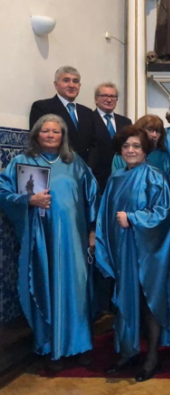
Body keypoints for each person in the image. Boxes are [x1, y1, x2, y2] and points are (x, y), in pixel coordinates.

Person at [0, 115, 99, 370]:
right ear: (36, 134)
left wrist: (92, 230)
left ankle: (79, 345)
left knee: (76, 288)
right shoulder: (22, 162)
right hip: (41, 240)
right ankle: (50, 346)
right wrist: (29, 201)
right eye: (46, 131)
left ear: (63, 136)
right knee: (46, 286)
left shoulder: (74, 162)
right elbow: (2, 192)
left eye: (56, 131)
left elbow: (92, 197)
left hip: (74, 240)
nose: (51, 135)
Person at [96, 126, 170, 382]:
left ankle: (152, 357)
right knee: (125, 298)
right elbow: (105, 214)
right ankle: (127, 351)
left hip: (148, 252)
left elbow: (164, 213)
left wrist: (133, 218)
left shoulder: (155, 176)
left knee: (148, 300)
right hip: (123, 249)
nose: (131, 150)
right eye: (126, 146)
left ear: (145, 150)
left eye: (136, 146)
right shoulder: (116, 178)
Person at [29, 66, 94, 162]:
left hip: (84, 166)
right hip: (55, 163)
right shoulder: (42, 107)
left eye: (75, 81)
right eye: (66, 80)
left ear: (79, 86)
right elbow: (37, 139)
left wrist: (89, 167)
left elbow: (94, 144)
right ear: (56, 85)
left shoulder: (87, 112)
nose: (71, 85)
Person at [88, 82, 132, 192]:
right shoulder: (88, 120)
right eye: (104, 95)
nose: (109, 99)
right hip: (96, 178)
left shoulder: (125, 122)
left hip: (123, 177)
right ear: (96, 99)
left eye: (113, 96)